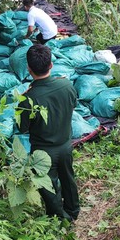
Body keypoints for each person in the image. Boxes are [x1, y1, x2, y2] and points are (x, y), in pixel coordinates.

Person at [17, 44, 80, 222]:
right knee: (68, 178)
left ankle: (58, 218)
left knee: (49, 186)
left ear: (29, 69)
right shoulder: (66, 84)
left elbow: (22, 127)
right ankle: (73, 211)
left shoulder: (28, 98)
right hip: (66, 145)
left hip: (43, 151)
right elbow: (73, 104)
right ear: (51, 65)